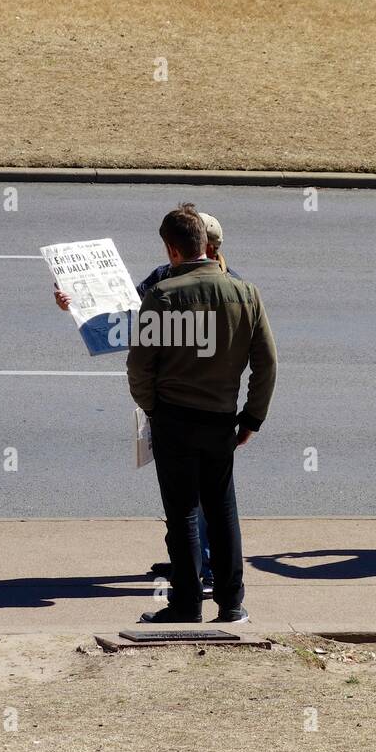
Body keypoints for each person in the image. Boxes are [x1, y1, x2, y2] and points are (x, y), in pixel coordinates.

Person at [54, 212, 238, 595]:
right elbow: (124, 312)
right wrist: (76, 303)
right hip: (194, 406)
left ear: (205, 245)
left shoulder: (224, 287)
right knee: (187, 497)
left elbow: (143, 345)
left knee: (200, 500)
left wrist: (151, 400)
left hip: (189, 406)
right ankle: (191, 562)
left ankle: (203, 573)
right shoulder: (166, 278)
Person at [127, 203, 276, 623]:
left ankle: (186, 603)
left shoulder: (162, 296)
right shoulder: (245, 293)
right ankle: (232, 604)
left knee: (183, 513)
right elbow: (266, 362)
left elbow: (140, 366)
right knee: (222, 510)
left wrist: (152, 407)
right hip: (220, 418)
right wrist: (251, 418)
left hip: (174, 417)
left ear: (172, 251)